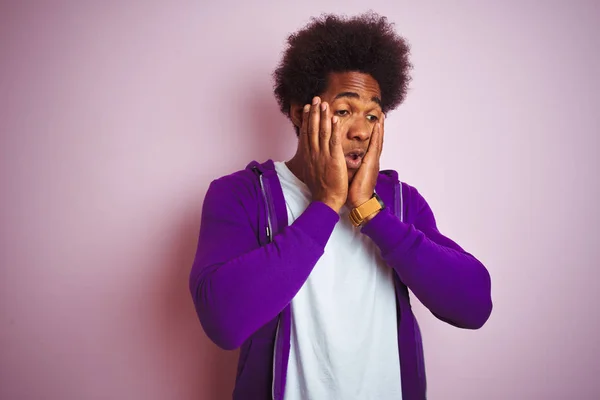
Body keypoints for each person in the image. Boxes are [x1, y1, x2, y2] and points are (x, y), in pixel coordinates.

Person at [189, 12, 492, 400]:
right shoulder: (243, 195)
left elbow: (474, 306)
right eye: (345, 111)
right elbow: (223, 321)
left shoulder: (399, 203)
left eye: (372, 115)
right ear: (301, 113)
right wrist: (327, 204)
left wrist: (370, 211)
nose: (362, 131)